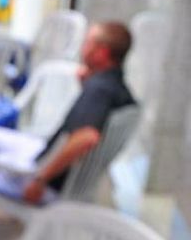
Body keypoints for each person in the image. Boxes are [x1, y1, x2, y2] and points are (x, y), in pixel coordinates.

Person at [21, 21, 136, 204]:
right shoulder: (117, 88)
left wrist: (40, 180)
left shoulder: (99, 90)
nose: (82, 48)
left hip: (52, 186)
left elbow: (87, 137)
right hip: (73, 185)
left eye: (87, 43)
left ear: (102, 52)